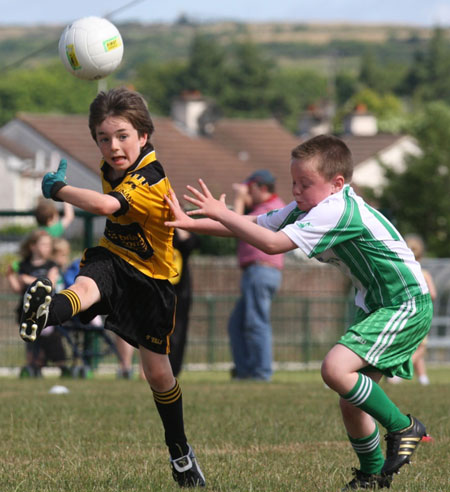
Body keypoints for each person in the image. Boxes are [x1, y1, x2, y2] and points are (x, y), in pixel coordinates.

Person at [164, 134, 433, 490]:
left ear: (337, 184)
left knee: (335, 369)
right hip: (378, 306)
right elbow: (256, 227)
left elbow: (273, 244)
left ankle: (403, 427)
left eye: (306, 183)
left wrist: (225, 213)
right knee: (352, 400)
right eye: (293, 182)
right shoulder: (309, 208)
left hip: (405, 302)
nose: (296, 190)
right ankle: (372, 474)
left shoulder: (337, 208)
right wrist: (189, 221)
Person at [18, 87, 205, 487]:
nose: (113, 146)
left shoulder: (151, 175)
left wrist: (57, 191)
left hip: (153, 281)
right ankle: (44, 312)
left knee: (157, 375)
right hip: (114, 257)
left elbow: (107, 206)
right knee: (85, 285)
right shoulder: (112, 167)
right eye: (103, 138)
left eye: (122, 135)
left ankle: (180, 451)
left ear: (144, 135)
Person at [228, 170, 285, 381]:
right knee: (237, 323)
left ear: (262, 188)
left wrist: (239, 200)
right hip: (255, 271)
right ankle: (245, 371)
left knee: (256, 322)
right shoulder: (262, 208)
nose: (248, 194)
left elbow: (235, 225)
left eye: (251, 189)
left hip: (262, 270)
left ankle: (261, 372)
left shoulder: (272, 208)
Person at [6, 230, 68, 377]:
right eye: (43, 244)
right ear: (33, 246)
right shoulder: (24, 265)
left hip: (46, 309)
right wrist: (10, 276)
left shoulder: (51, 265)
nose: (47, 248)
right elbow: (17, 288)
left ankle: (54, 363)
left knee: (47, 336)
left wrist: (27, 279)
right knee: (29, 338)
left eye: (48, 245)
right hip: (26, 309)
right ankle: (31, 366)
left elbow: (50, 284)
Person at [405, 234, 437, 385]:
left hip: (405, 313)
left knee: (413, 347)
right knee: (421, 349)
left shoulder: (405, 273)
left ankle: (423, 379)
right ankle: (399, 372)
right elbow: (433, 293)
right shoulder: (423, 273)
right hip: (420, 314)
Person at [169, 228, 200, 378]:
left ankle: (173, 370)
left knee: (178, 331)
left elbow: (191, 244)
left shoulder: (183, 231)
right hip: (156, 285)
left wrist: (179, 223)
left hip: (179, 290)